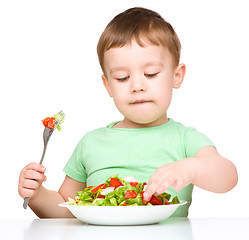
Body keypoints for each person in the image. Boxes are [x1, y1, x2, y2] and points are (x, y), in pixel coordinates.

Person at [18, 7, 238, 218]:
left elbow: (228, 177)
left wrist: (191, 168)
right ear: (108, 86)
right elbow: (66, 208)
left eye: (151, 74)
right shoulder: (91, 142)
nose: (137, 86)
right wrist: (38, 196)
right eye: (122, 78)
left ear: (176, 76)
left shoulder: (186, 139)